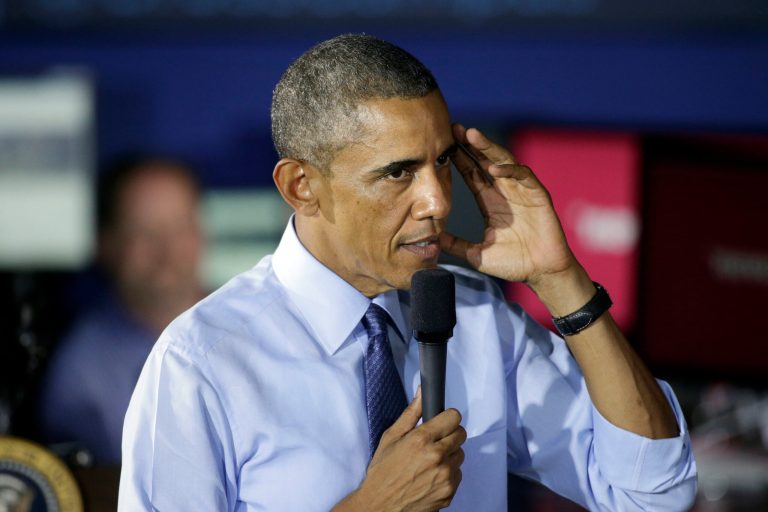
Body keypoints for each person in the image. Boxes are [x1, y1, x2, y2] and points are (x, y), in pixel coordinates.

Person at [119, 35, 697, 511]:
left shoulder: (476, 316)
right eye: (398, 173)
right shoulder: (202, 363)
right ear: (302, 187)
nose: (437, 202)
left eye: (442, 161)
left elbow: (654, 494)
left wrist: (560, 277)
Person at [38, 155, 206, 464]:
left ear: (202, 235)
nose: (166, 251)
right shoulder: (79, 371)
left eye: (179, 228)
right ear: (107, 244)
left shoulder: (259, 332)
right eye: (142, 232)